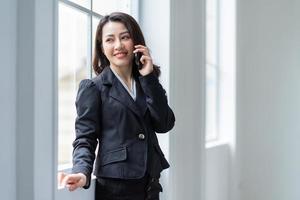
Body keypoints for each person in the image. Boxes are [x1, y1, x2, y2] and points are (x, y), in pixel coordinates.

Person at [58, 12, 175, 200]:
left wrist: (149, 78)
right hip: (116, 188)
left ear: (136, 42)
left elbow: (164, 124)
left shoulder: (146, 82)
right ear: (102, 47)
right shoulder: (93, 88)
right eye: (110, 40)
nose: (119, 45)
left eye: (125, 37)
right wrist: (81, 171)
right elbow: (85, 138)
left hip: (150, 185)